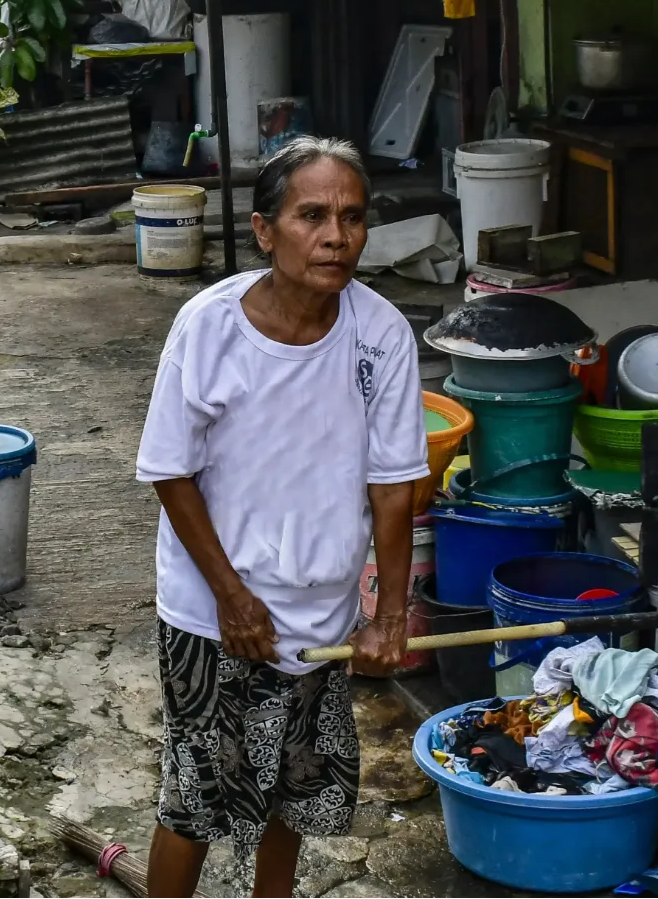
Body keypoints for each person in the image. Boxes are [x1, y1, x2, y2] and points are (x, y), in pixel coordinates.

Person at [135, 138, 429, 899]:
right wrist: (231, 598)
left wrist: (387, 616)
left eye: (353, 217)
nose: (336, 236)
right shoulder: (209, 326)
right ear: (265, 231)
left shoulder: (381, 333)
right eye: (312, 216)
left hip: (320, 608)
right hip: (213, 609)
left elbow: (392, 485)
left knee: (291, 792)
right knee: (196, 799)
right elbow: (169, 470)